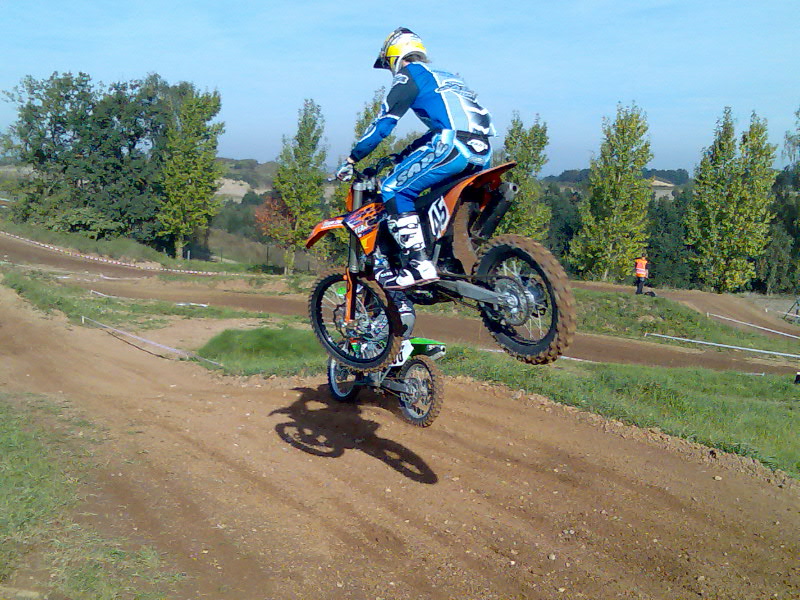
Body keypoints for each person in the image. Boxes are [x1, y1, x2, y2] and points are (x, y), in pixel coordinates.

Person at [335, 27, 495, 290]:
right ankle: (446, 258)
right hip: (483, 150)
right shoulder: (448, 77)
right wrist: (405, 153)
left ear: (395, 56)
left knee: (393, 188)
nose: (391, 70)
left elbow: (383, 125)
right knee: (435, 201)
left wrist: (353, 158)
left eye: (388, 64)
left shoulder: (409, 76)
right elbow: (444, 125)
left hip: (452, 146)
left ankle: (419, 265)